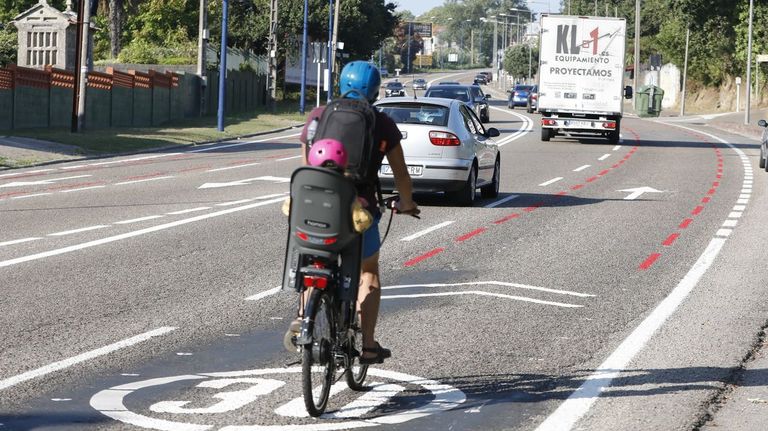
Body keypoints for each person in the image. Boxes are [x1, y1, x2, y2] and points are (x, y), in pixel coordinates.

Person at [296, 60, 418, 364]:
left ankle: (303, 321)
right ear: (376, 91)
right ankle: (369, 345)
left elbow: (306, 166)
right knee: (368, 273)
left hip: (314, 208)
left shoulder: (318, 117)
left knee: (314, 262)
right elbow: (401, 175)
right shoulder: (382, 124)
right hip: (358, 211)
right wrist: (406, 203)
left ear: (340, 84)